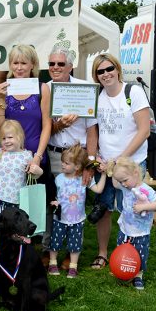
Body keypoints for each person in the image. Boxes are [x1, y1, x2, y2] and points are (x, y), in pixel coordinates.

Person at [0, 44, 55, 256]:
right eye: (15, 63)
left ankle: (43, 249)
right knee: (12, 205)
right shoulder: (2, 89)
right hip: (9, 159)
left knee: (37, 201)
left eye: (23, 63)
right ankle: (9, 248)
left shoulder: (42, 88)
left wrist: (37, 156)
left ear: (32, 65)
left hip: (34, 157)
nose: (19, 68)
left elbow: (47, 124)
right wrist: (0, 101)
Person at [89, 53, 150, 270]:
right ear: (96, 76)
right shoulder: (96, 97)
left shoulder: (132, 91)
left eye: (109, 69)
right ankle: (103, 253)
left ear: (117, 69)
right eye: (100, 71)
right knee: (104, 208)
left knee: (132, 208)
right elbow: (93, 130)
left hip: (131, 163)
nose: (106, 74)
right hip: (106, 164)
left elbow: (144, 131)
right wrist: (94, 155)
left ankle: (131, 254)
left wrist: (121, 159)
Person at [45, 44, 98, 269]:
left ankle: (71, 252)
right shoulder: (45, 89)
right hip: (54, 154)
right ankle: (50, 250)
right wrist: (59, 125)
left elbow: (92, 129)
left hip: (78, 155)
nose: (55, 67)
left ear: (70, 66)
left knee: (75, 203)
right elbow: (45, 128)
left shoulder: (85, 89)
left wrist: (91, 162)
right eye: (51, 64)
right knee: (53, 203)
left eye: (60, 63)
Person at [48, 143, 106, 278]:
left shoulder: (84, 179)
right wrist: (54, 201)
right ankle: (52, 263)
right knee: (55, 242)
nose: (62, 165)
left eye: (66, 163)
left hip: (77, 220)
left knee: (75, 244)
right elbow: (54, 195)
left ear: (77, 166)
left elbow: (98, 190)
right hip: (60, 218)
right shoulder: (58, 179)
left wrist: (103, 176)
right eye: (62, 162)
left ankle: (73, 267)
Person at [108, 157, 156, 290]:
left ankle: (138, 275)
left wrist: (143, 207)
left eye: (125, 180)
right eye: (122, 181)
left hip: (140, 231)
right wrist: (113, 168)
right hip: (125, 229)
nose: (124, 184)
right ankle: (122, 269)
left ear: (136, 173)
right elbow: (115, 184)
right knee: (122, 250)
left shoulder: (146, 189)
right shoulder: (126, 187)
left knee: (140, 253)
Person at [0, 120, 43, 221]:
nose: (6, 141)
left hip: (17, 202)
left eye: (10, 137)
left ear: (20, 137)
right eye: (3, 138)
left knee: (14, 231)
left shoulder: (26, 155)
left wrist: (39, 171)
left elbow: (34, 175)